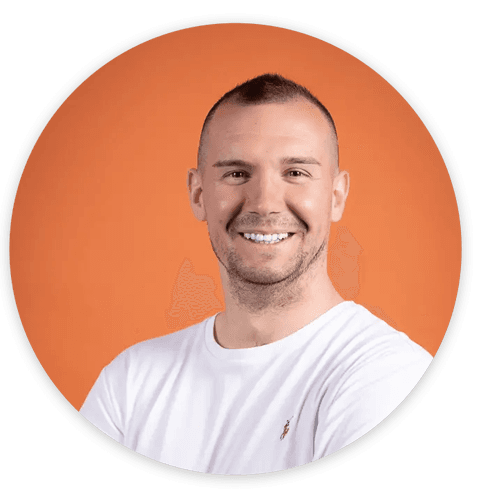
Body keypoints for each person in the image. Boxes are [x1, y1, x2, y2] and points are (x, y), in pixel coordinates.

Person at [80, 74, 432, 475]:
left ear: (336, 196)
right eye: (236, 174)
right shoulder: (130, 383)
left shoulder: (389, 377)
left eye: (295, 173)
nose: (264, 204)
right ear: (198, 194)